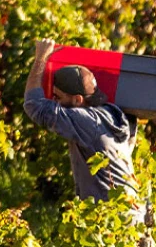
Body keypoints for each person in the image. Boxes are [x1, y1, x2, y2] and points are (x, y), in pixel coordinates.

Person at [23, 38, 142, 211]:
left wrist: (41, 58)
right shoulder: (111, 114)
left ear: (78, 100)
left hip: (112, 218)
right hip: (129, 213)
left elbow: (33, 105)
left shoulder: (86, 121)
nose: (54, 101)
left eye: (58, 97)